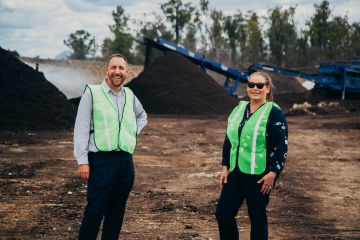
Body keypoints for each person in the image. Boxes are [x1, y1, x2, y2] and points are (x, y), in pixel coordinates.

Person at [73, 54, 147, 240]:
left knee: (116, 214)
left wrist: (130, 133)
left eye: (121, 68)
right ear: (106, 70)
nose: (117, 72)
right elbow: (80, 128)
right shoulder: (92, 93)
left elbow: (142, 116)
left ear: (127, 72)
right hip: (101, 161)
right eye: (114, 67)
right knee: (94, 211)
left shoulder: (129, 95)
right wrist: (82, 161)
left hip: (124, 162)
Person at [215, 71, 288, 240]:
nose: (255, 88)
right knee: (223, 213)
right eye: (251, 85)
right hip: (235, 171)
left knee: (257, 218)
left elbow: (281, 145)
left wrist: (273, 173)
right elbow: (229, 139)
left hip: (260, 175)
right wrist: (225, 166)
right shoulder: (239, 109)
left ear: (267, 89)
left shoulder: (273, 112)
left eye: (260, 85)